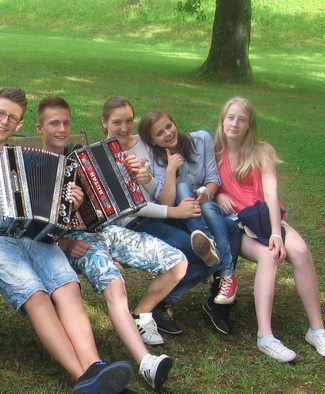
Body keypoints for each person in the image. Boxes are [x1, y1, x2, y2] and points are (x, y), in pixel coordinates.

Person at [0, 88, 139, 394]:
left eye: (12, 118)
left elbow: (49, 210)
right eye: (0, 113)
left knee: (68, 287)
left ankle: (95, 365)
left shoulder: (20, 156)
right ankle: (84, 377)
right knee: (37, 295)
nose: (4, 121)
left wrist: (70, 200)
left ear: (19, 124)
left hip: (31, 236)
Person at [36, 95, 181, 392]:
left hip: (106, 230)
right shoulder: (34, 166)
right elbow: (31, 226)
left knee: (177, 262)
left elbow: (117, 196)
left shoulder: (81, 157)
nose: (62, 129)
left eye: (66, 123)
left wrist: (135, 174)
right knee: (115, 284)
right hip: (73, 241)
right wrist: (64, 242)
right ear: (40, 128)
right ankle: (146, 362)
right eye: (54, 124)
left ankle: (139, 314)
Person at [102, 97, 241, 335]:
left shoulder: (144, 144)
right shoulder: (102, 156)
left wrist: (148, 179)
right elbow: (134, 206)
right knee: (201, 252)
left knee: (230, 229)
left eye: (128, 121)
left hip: (160, 214)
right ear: (104, 123)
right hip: (133, 222)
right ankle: (154, 306)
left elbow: (155, 190)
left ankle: (218, 294)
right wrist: (175, 210)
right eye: (117, 122)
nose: (124, 128)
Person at [214, 97, 325, 362]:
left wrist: (276, 233)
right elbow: (203, 184)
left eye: (242, 119)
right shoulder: (214, 152)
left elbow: (271, 195)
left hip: (265, 218)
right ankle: (265, 337)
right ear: (222, 120)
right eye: (231, 117)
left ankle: (317, 330)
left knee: (300, 251)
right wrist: (218, 195)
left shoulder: (262, 151)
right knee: (269, 256)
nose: (235, 124)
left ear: (249, 125)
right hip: (237, 224)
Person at [139, 109, 240, 308]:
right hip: (178, 215)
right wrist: (171, 169)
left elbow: (213, 179)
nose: (168, 133)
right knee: (182, 187)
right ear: (153, 141)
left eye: (169, 126)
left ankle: (214, 254)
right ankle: (226, 272)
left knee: (220, 218)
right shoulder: (155, 159)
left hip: (204, 205)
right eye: (159, 134)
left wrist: (204, 195)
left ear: (174, 122)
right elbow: (166, 203)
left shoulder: (201, 140)